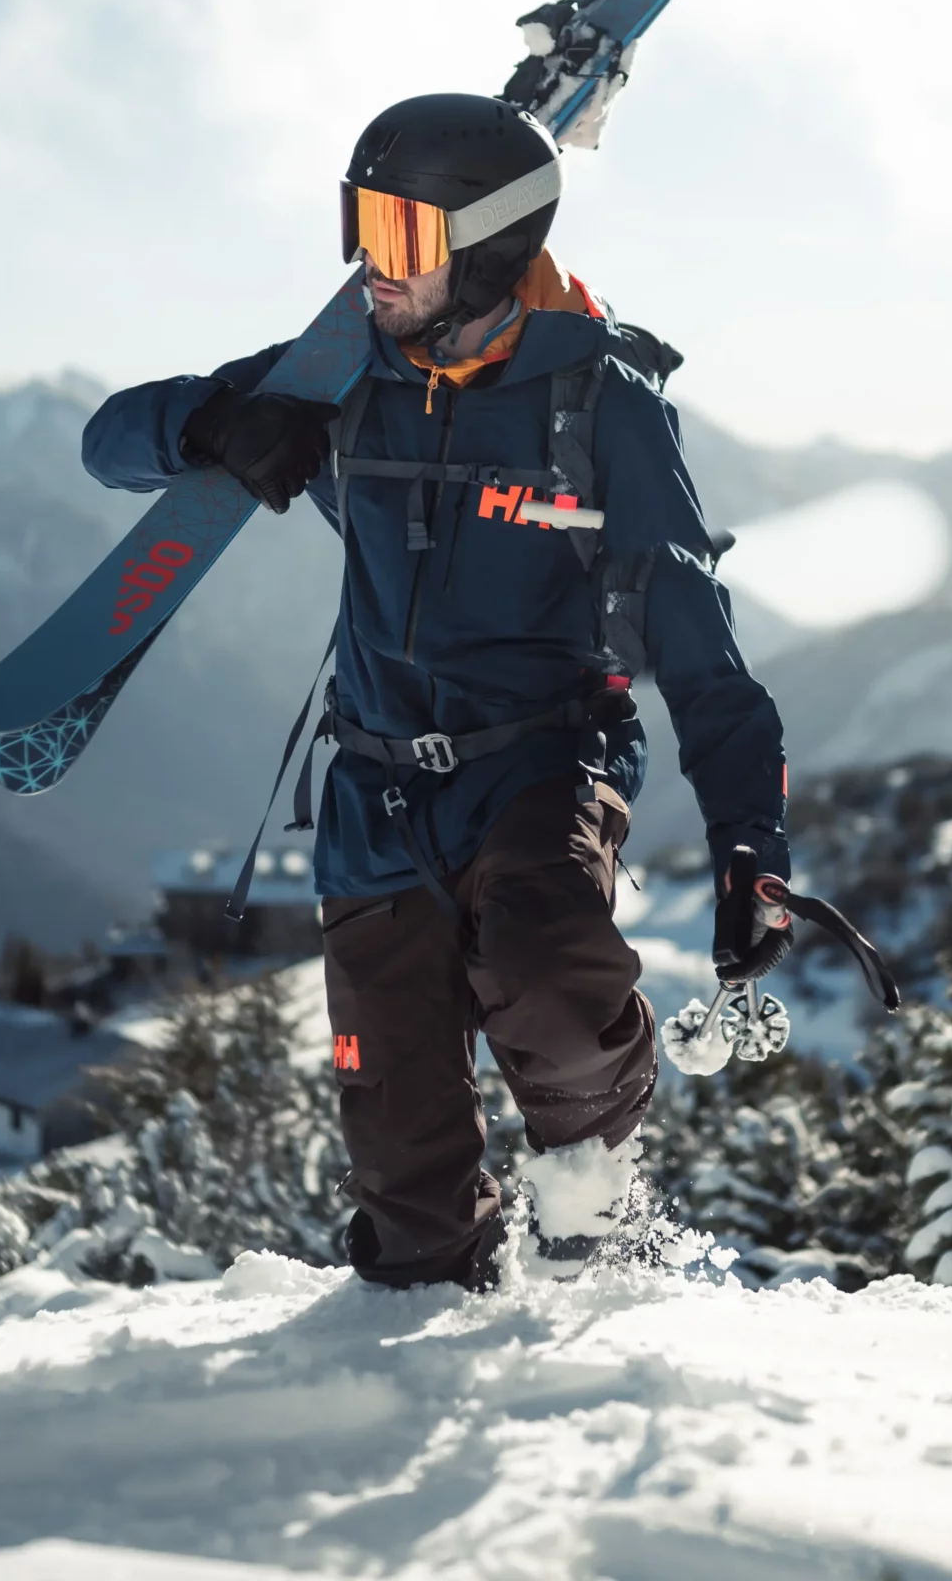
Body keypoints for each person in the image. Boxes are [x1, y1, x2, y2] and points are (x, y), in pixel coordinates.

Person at [81, 93, 794, 1285]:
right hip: (372, 795)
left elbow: (696, 637)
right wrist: (214, 423)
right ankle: (426, 1316)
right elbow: (108, 441)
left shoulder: (600, 402)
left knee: (549, 969)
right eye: (361, 222)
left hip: (540, 760)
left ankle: (588, 1198)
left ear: (494, 247)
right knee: (407, 1196)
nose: (370, 263)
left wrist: (749, 840)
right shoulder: (344, 373)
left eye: (402, 236)